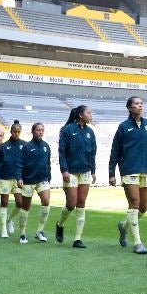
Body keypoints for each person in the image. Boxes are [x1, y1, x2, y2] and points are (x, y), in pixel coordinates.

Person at [109, 96, 147, 255]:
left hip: (146, 170)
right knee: (134, 203)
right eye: (136, 103)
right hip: (129, 169)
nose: (140, 106)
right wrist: (111, 173)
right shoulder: (123, 127)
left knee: (144, 207)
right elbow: (115, 150)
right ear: (129, 107)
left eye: (142, 103)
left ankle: (124, 226)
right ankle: (137, 243)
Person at [55, 105, 97, 249]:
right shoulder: (67, 130)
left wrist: (93, 171)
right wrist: (64, 170)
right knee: (71, 203)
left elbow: (93, 153)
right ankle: (60, 224)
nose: (91, 115)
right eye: (89, 112)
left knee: (81, 202)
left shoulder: (90, 132)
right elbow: (62, 152)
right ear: (80, 115)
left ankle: (77, 239)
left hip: (85, 171)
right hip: (70, 172)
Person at [16, 122, 52, 244]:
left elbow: (48, 164)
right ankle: (22, 233)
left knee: (46, 201)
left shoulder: (46, 146)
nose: (40, 132)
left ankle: (40, 231)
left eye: (42, 130)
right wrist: (19, 177)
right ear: (33, 131)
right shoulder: (27, 147)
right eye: (38, 130)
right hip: (28, 181)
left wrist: (49, 177)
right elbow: (19, 163)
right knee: (26, 207)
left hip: (43, 180)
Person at [0, 121, 25, 238]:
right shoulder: (3, 146)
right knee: (5, 202)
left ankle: (9, 220)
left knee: (20, 203)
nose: (16, 134)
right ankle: (3, 230)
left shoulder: (24, 145)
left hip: (18, 178)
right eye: (14, 132)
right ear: (11, 132)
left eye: (18, 132)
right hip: (5, 177)